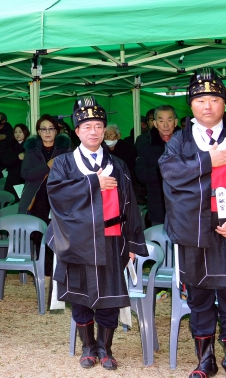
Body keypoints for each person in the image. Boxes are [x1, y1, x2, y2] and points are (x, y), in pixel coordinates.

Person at [160, 69, 226, 378]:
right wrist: (209, 161)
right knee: (199, 299)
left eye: (214, 99)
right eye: (200, 100)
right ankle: (205, 362)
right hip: (195, 236)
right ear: (190, 105)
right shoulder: (179, 142)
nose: (207, 106)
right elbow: (170, 176)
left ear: (224, 103)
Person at [46, 96, 147, 371]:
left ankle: (106, 348)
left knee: (109, 297)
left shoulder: (119, 165)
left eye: (98, 126)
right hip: (76, 241)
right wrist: (93, 182)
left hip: (112, 240)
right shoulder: (64, 163)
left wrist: (134, 244)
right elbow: (56, 197)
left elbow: (131, 206)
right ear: (77, 131)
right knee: (80, 297)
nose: (93, 131)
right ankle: (88, 346)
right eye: (87, 126)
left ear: (104, 130)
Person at [17, 115, 71, 278]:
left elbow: (70, 173)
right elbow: (26, 174)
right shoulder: (31, 149)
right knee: (39, 236)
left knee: (57, 236)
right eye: (43, 129)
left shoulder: (66, 149)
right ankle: (44, 274)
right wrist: (47, 166)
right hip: (37, 199)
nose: (47, 132)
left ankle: (58, 272)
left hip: (58, 199)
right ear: (39, 132)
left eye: (51, 128)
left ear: (57, 130)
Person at [136, 106, 179, 226]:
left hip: (183, 206)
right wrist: (167, 169)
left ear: (175, 122)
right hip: (158, 205)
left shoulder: (186, 144)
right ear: (155, 123)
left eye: (169, 120)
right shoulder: (145, 146)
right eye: (161, 121)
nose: (165, 125)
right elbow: (141, 174)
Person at [103, 124, 137, 190]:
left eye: (111, 135)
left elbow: (130, 167)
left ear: (118, 136)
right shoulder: (101, 148)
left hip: (125, 182)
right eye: (105, 135)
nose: (107, 137)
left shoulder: (128, 148)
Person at [0, 123, 29, 197]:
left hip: (25, 180)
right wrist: (18, 157)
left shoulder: (30, 146)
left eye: (20, 132)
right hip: (12, 179)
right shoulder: (10, 145)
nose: (18, 134)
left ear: (25, 132)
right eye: (15, 132)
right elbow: (5, 162)